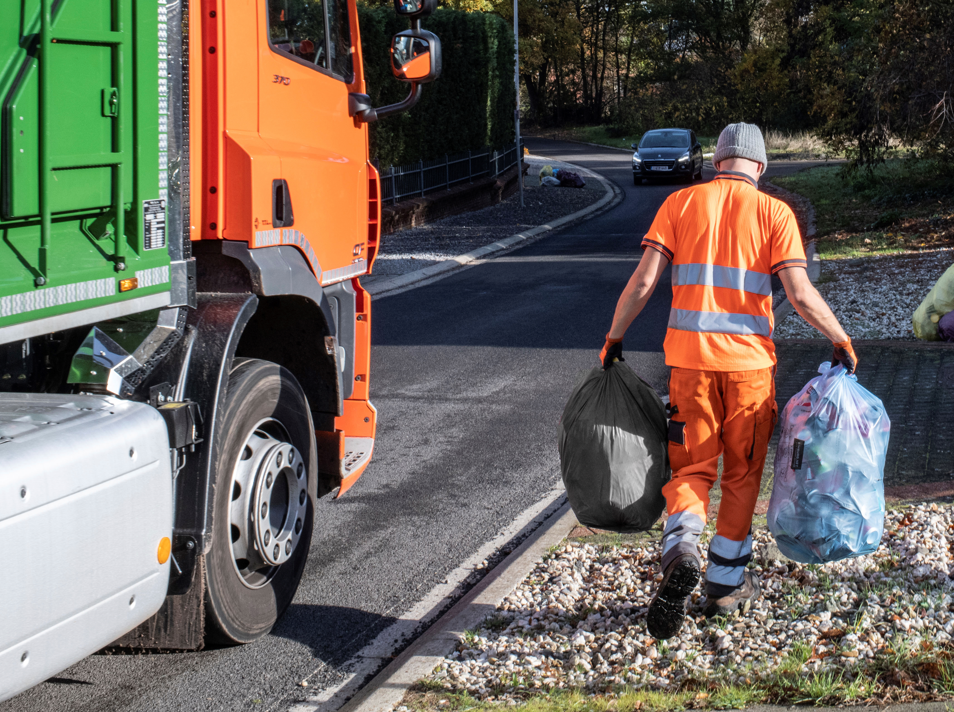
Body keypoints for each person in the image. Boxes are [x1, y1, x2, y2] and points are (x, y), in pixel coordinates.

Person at [598, 123, 858, 640]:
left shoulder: (680, 204)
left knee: (691, 468)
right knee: (741, 475)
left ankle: (681, 550)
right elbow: (801, 294)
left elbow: (646, 280)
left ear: (717, 161)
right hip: (749, 373)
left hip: (688, 367)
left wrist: (614, 337)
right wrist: (841, 339)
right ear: (760, 166)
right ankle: (723, 586)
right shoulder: (774, 213)